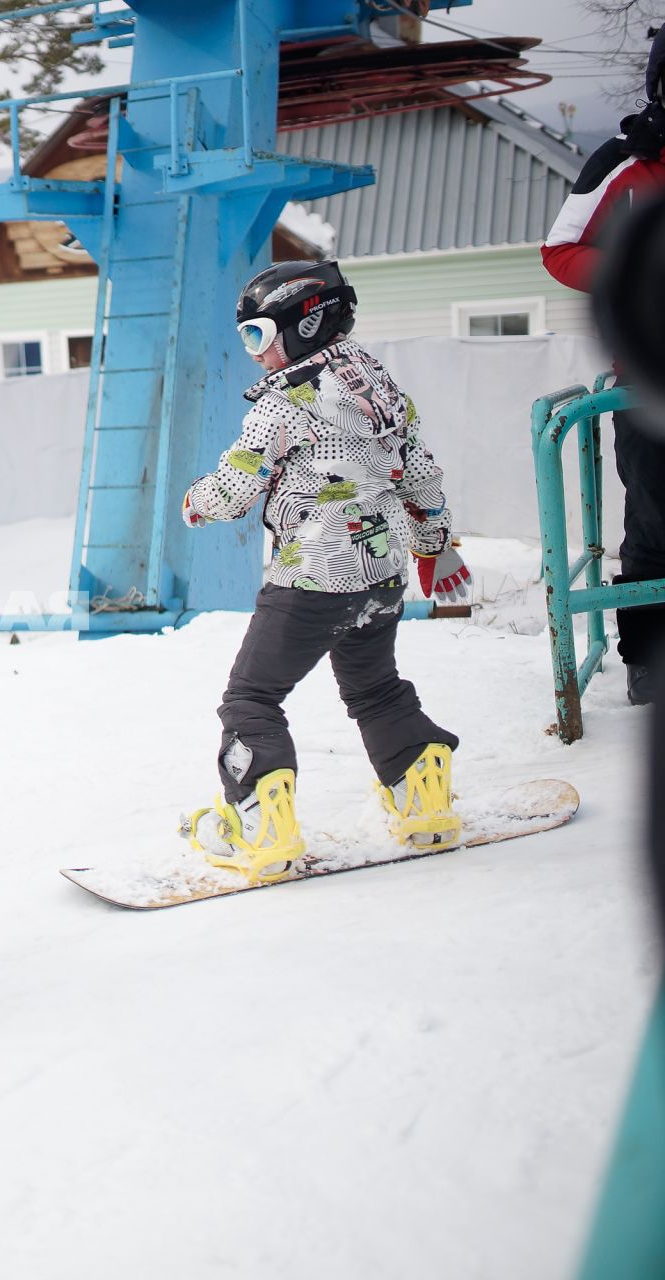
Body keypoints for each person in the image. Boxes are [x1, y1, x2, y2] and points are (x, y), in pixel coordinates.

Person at [177, 260, 469, 884]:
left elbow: (236, 485)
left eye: (258, 337)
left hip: (313, 576)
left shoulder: (284, 403)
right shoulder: (377, 382)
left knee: (252, 697)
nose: (254, 355)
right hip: (382, 568)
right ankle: (425, 802)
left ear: (303, 324)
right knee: (375, 688)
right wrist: (434, 543)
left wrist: (197, 501)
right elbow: (420, 471)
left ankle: (261, 827)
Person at [543, 24, 665, 706]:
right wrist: (640, 276)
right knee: (655, 514)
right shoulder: (624, 161)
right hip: (648, 374)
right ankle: (648, 654)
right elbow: (559, 249)